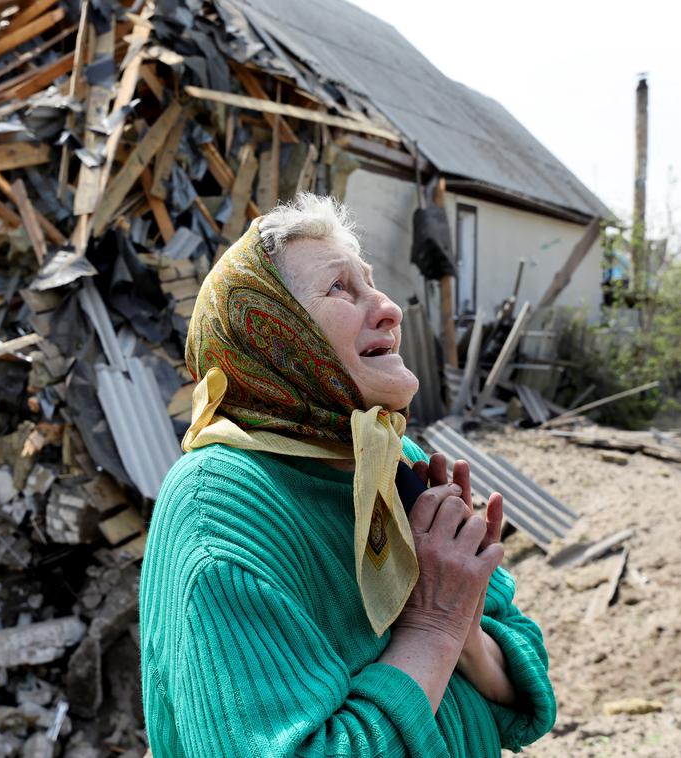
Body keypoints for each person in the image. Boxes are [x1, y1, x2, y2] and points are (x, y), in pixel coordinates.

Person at [138, 194, 556, 756]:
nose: (389, 308)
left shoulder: (391, 458)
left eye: (372, 283)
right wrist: (433, 626)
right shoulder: (220, 509)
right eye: (340, 288)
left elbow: (524, 681)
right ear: (274, 334)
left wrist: (463, 624)